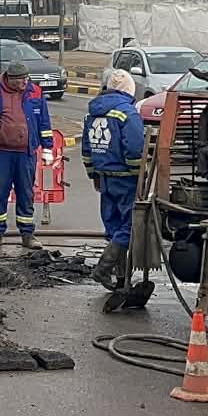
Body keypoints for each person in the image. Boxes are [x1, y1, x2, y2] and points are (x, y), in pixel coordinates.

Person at [0, 60, 54, 248]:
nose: (25, 83)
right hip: (1, 153)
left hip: (26, 154)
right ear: (10, 79)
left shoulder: (35, 92)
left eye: (26, 79)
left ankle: (27, 234)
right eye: (21, 80)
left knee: (26, 194)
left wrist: (47, 148)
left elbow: (44, 122)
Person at [82, 68, 147, 287]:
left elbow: (86, 150)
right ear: (129, 90)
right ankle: (104, 269)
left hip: (104, 178)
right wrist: (140, 175)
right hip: (125, 179)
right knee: (130, 226)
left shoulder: (92, 113)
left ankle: (120, 279)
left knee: (114, 226)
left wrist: (93, 175)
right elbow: (135, 148)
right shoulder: (127, 113)